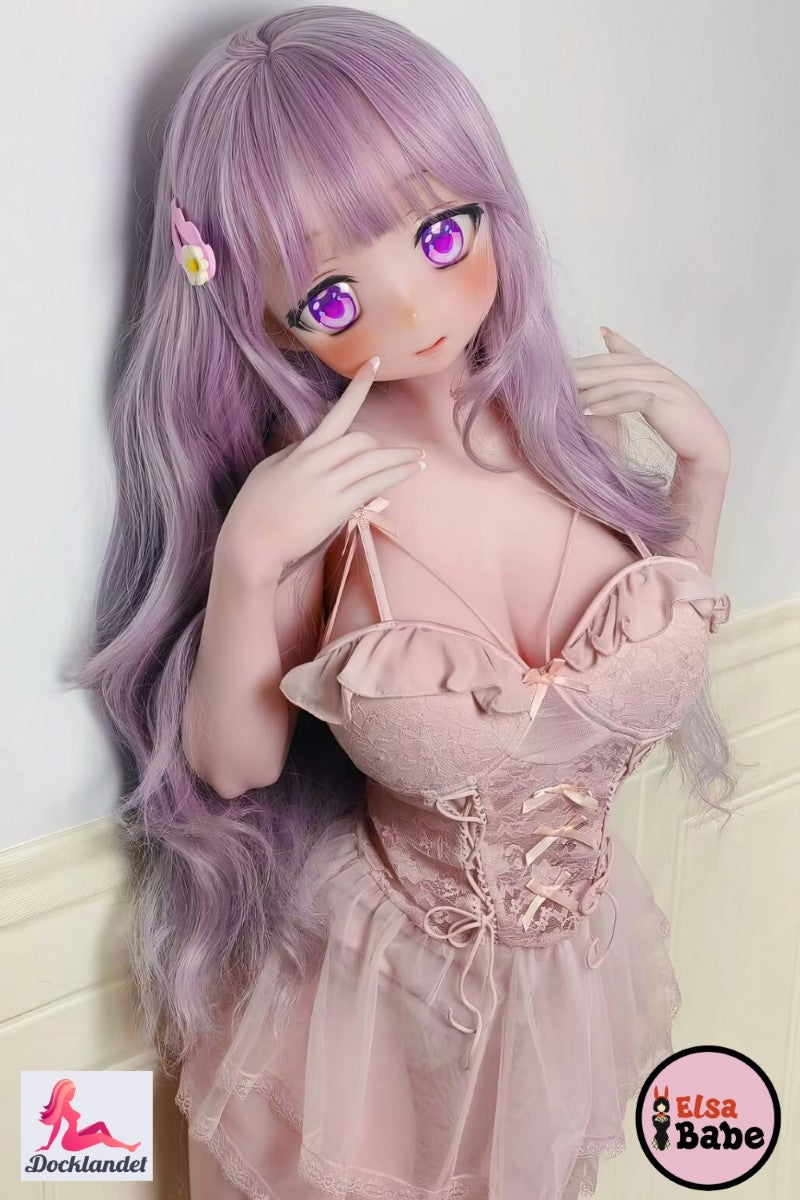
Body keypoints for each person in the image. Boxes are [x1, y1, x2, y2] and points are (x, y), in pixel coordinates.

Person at [69, 7, 736, 1198]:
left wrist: (704, 475)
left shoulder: (566, 439)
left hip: (567, 978)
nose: (414, 308)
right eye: (328, 296)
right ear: (256, 313)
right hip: (372, 1000)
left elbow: (660, 646)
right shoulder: (326, 492)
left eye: (438, 233)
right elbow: (232, 768)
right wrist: (249, 561)